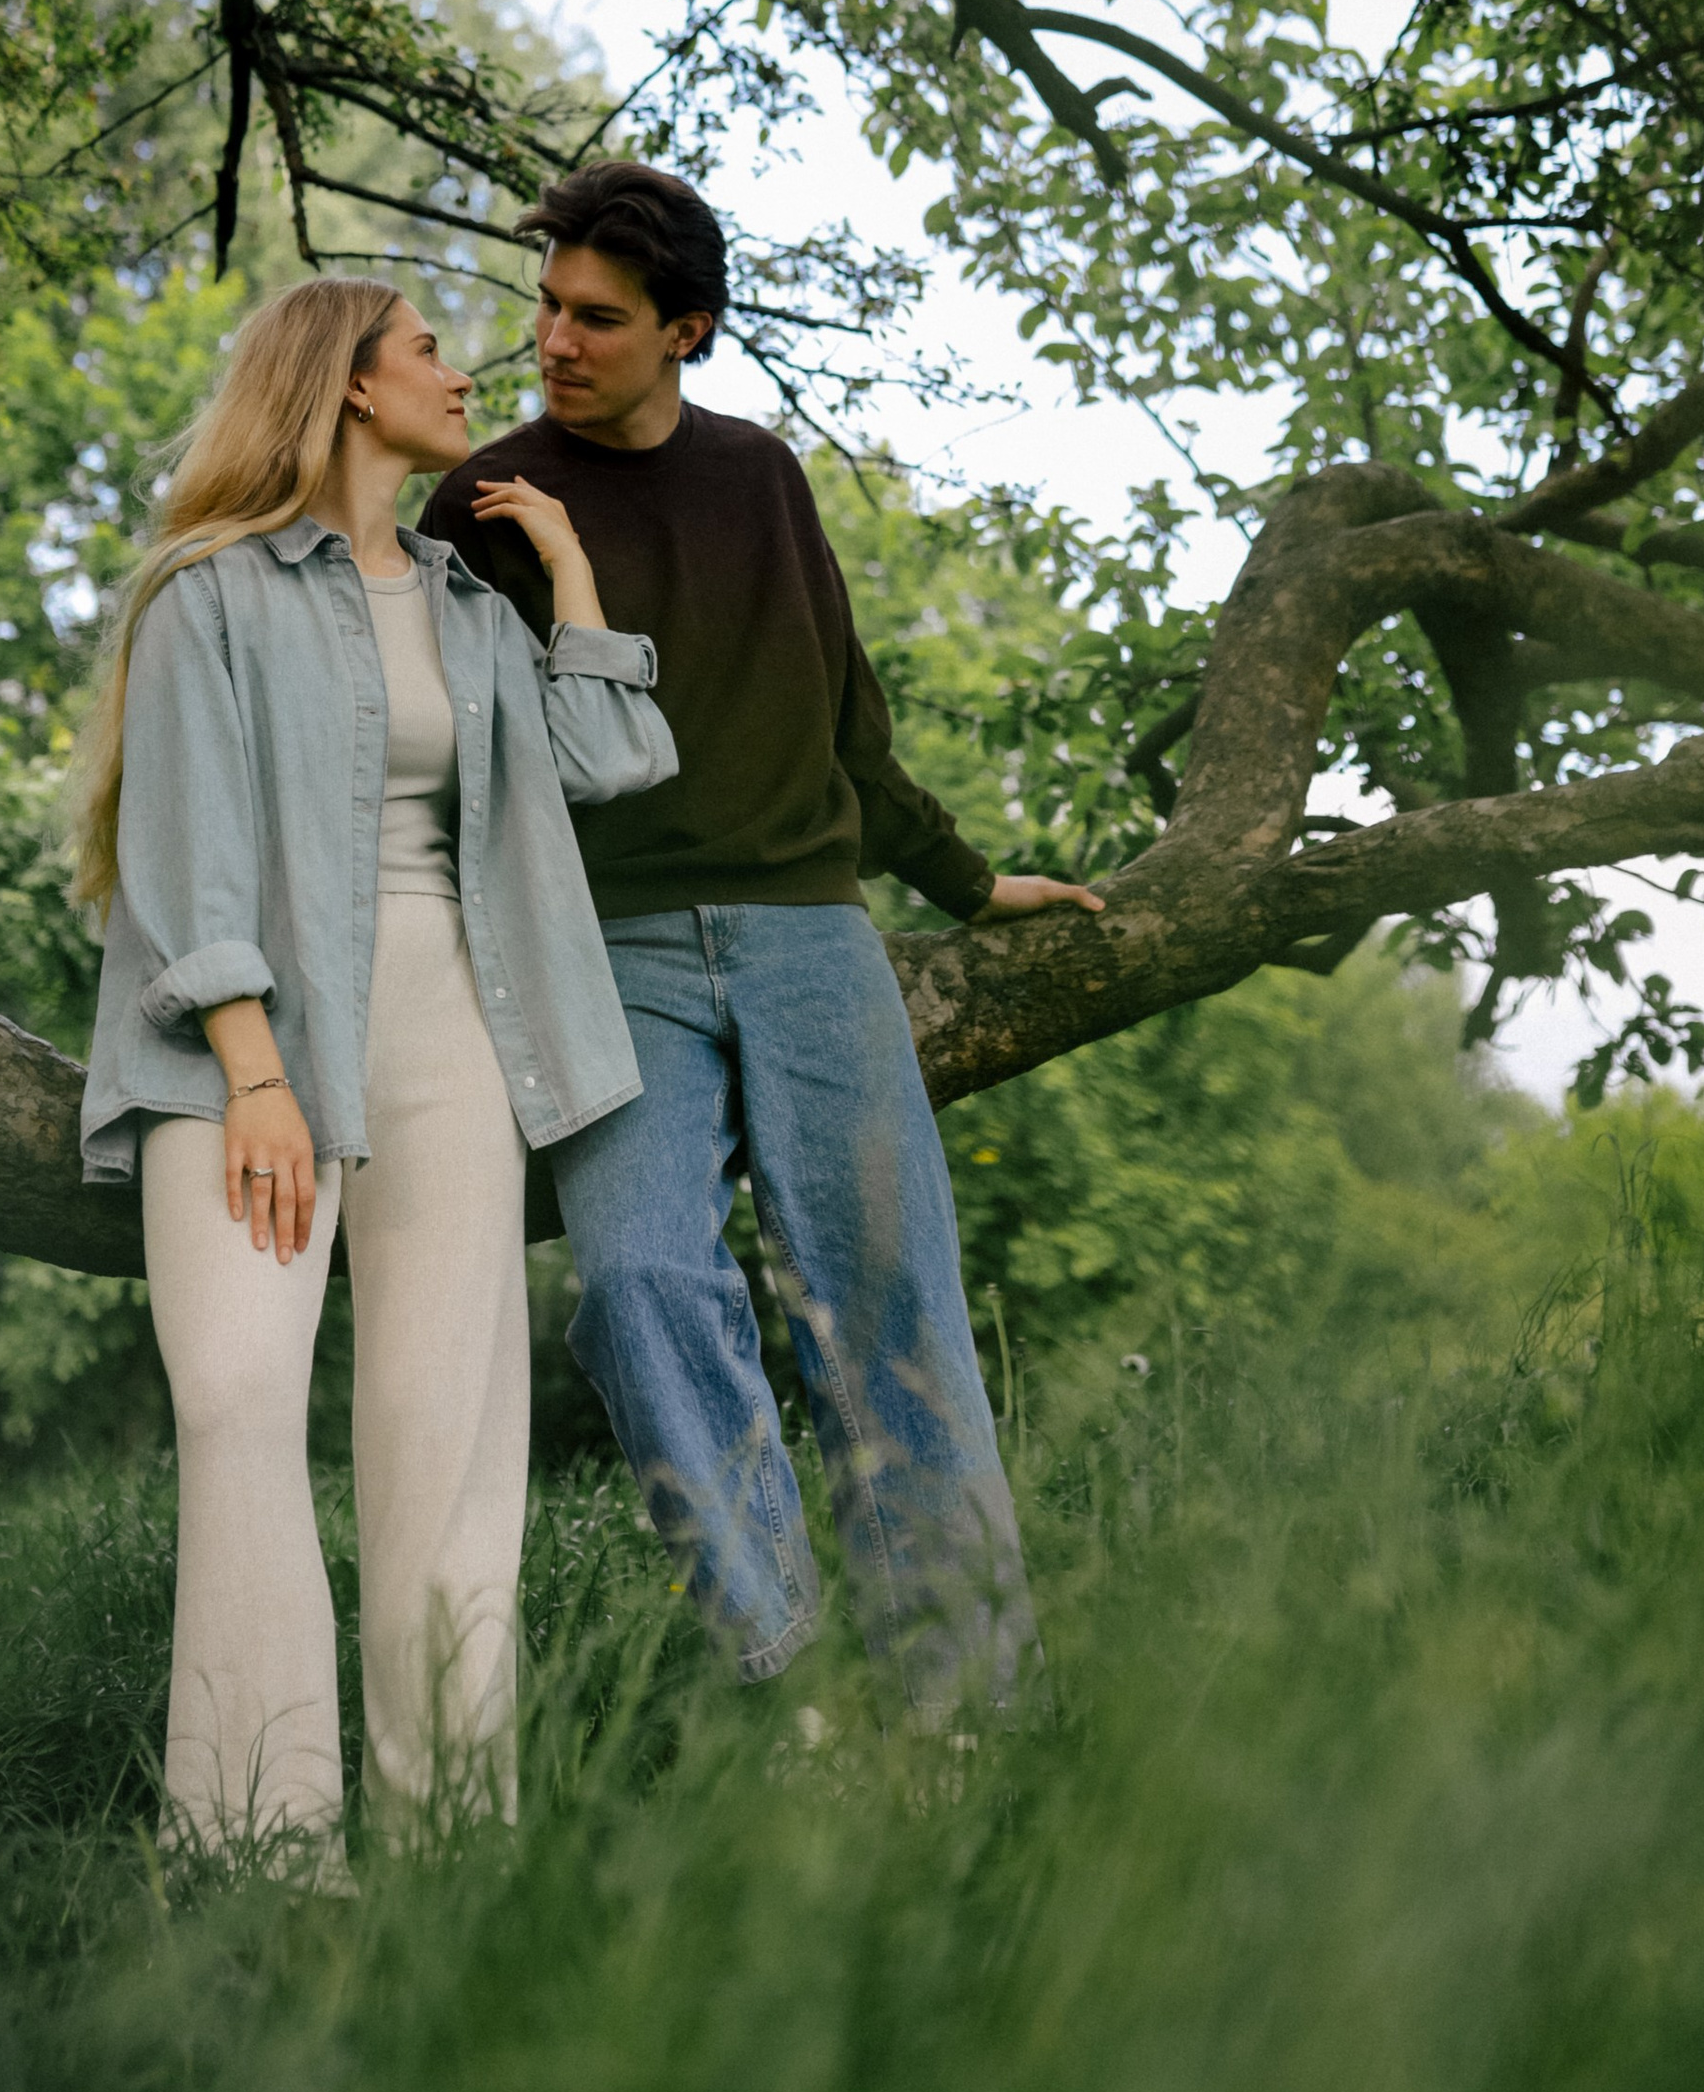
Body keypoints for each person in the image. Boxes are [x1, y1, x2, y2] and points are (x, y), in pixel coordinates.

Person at [424, 163, 1103, 1722]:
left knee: (892, 1307)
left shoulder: (762, 478)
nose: (555, 342)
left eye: (598, 318)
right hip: (614, 953)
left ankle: (968, 1713)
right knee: (642, 1282)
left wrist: (962, 877)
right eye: (547, 309)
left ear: (690, 331)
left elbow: (844, 705)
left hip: (811, 935)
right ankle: (792, 1670)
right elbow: (436, 752)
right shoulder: (482, 503)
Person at [69, 276, 674, 1878]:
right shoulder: (207, 591)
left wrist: (564, 567)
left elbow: (613, 761)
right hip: (242, 1046)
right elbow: (178, 850)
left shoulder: (475, 609)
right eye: (427, 350)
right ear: (345, 384)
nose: (465, 371)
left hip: (456, 1035)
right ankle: (265, 1848)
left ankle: (453, 1845)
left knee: (449, 1445)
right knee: (242, 1402)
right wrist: (256, 1074)